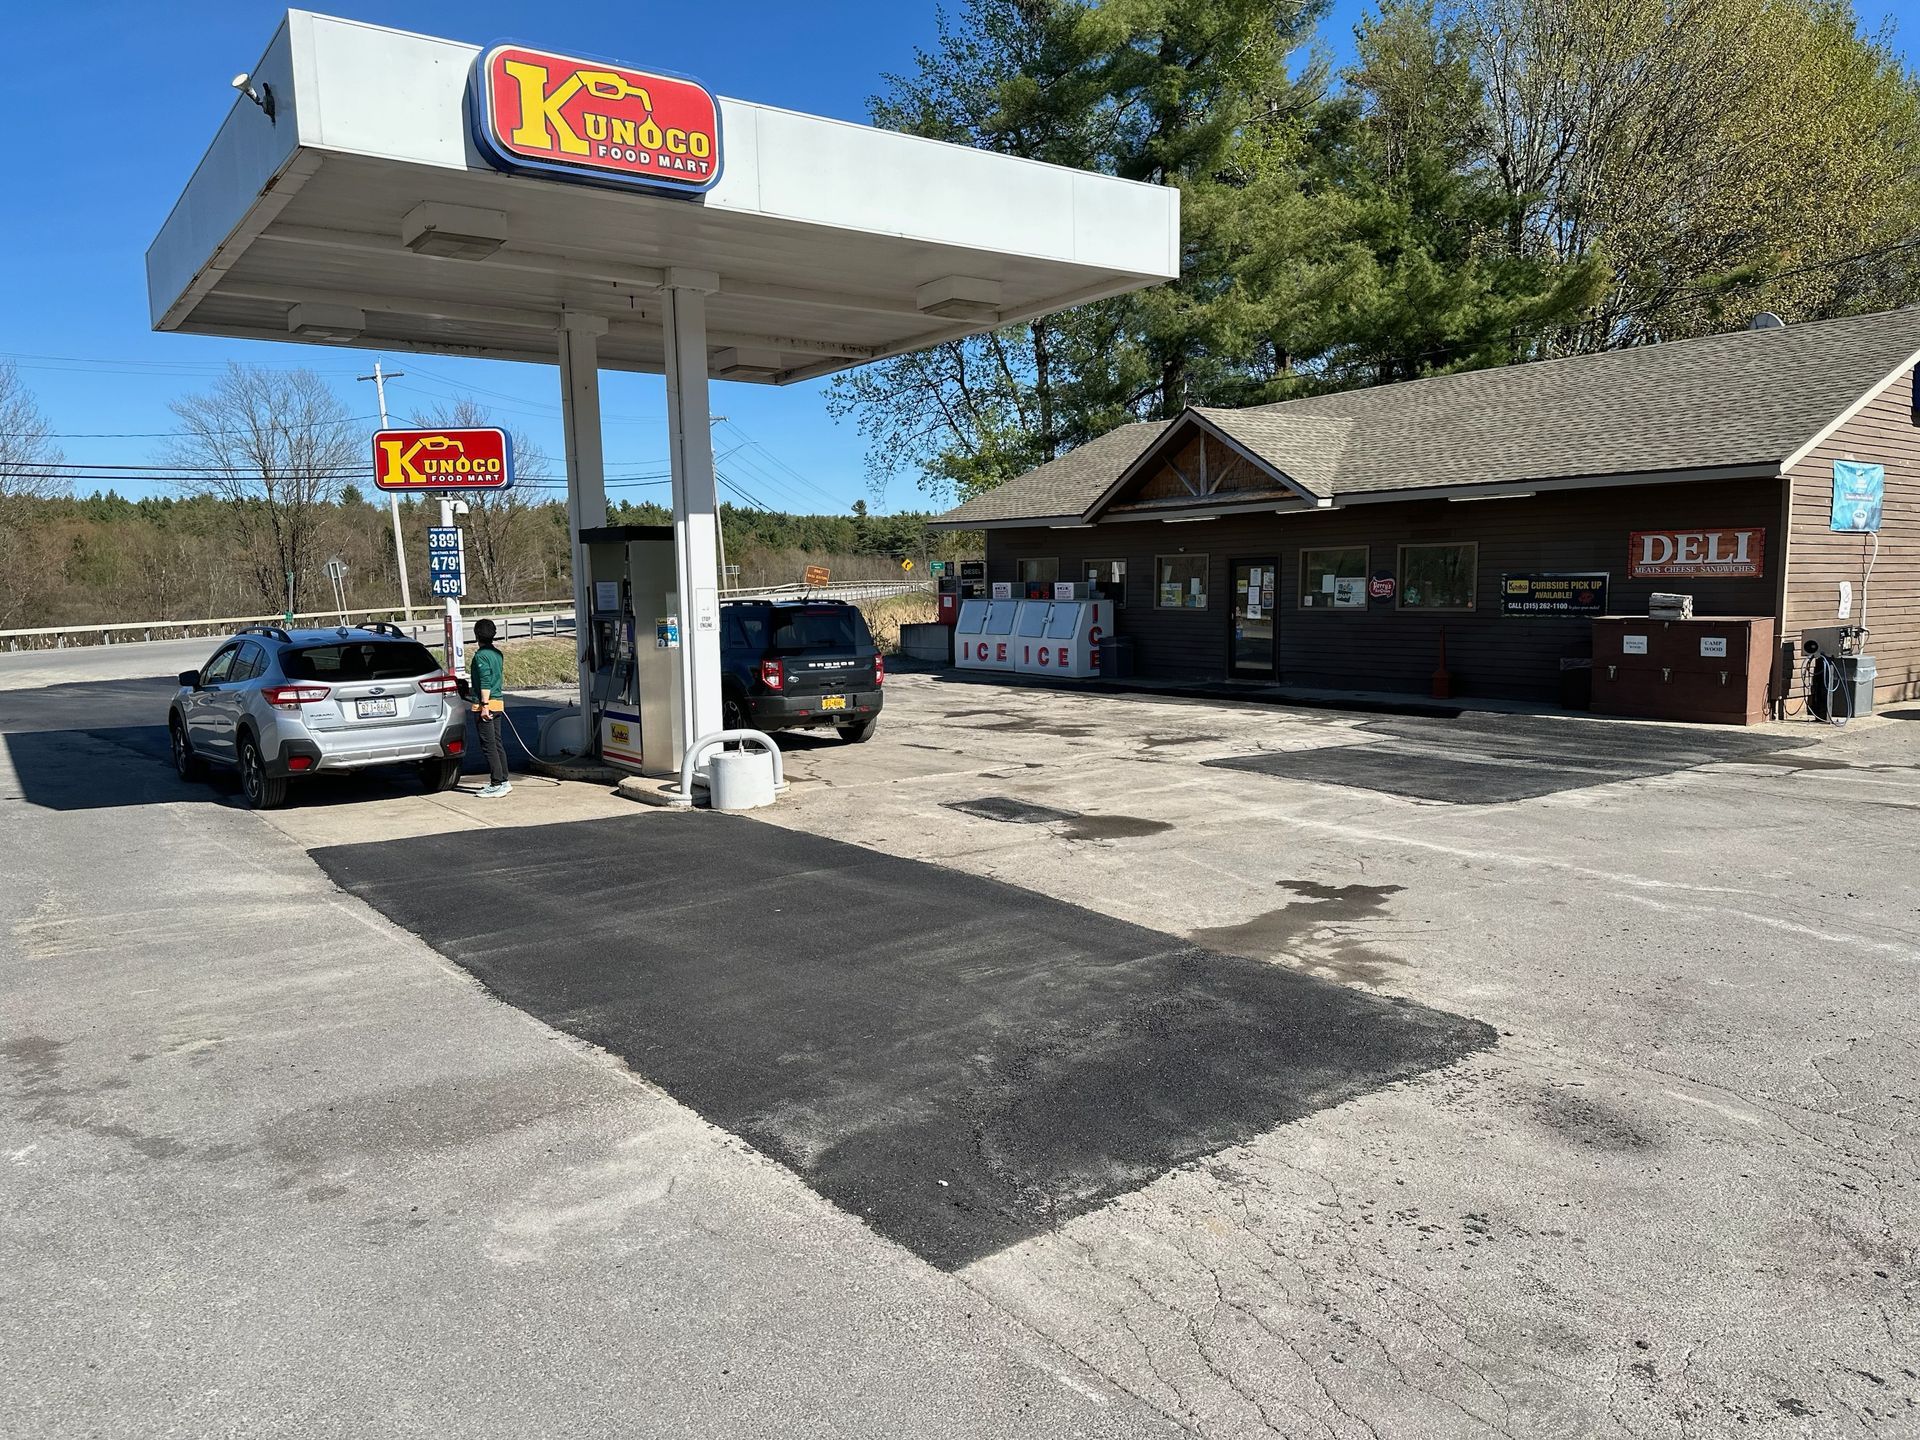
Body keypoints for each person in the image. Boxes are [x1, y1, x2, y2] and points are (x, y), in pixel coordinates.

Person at [468, 618, 510, 797]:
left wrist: (484, 705)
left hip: (486, 704)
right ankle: (504, 780)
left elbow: (485, 680)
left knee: (488, 745)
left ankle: (496, 782)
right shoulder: (497, 654)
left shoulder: (481, 656)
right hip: (498, 702)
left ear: (477, 635)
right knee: (497, 743)